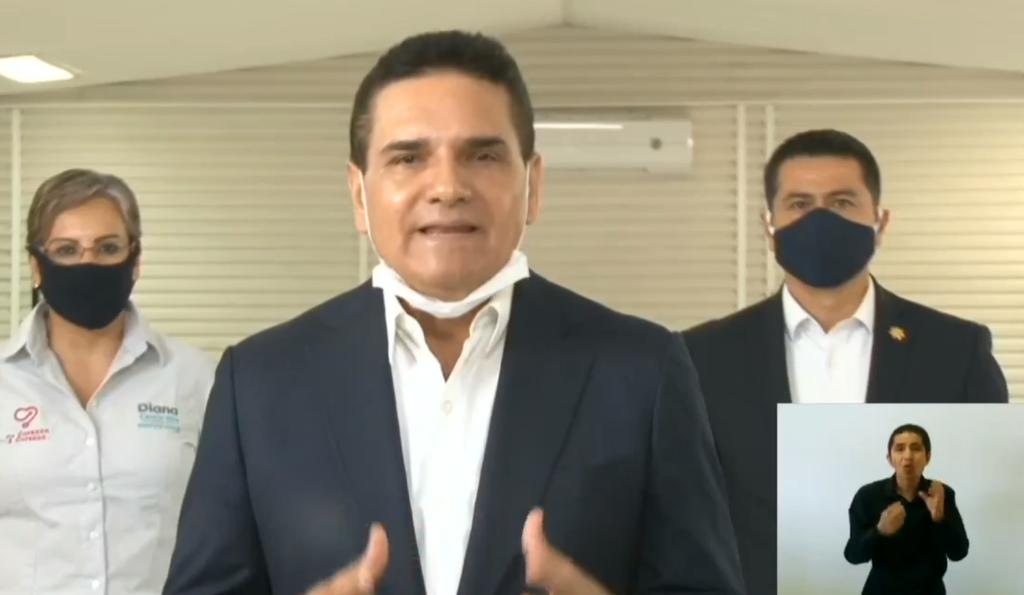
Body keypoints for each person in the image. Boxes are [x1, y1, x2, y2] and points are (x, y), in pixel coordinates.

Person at [163, 30, 745, 595]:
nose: (447, 186)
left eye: (483, 155)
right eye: (408, 158)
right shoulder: (259, 382)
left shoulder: (644, 371)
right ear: (359, 194)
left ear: (533, 185)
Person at [682, 128, 1006, 594]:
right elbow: (680, 511)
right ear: (769, 225)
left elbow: (994, 503)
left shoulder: (956, 350)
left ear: (880, 221)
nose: (820, 220)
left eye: (841, 203)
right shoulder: (702, 356)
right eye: (799, 204)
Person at [0, 169, 215, 594]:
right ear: (37, 266)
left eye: (108, 248)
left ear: (135, 260)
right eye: (66, 250)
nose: (89, 264)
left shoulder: (197, 379)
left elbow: (230, 528)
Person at [844, 424, 968, 595]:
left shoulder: (942, 494)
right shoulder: (868, 496)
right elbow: (853, 555)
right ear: (889, 458)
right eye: (900, 449)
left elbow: (959, 553)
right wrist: (879, 531)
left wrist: (939, 519)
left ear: (928, 457)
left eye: (915, 448)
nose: (908, 456)